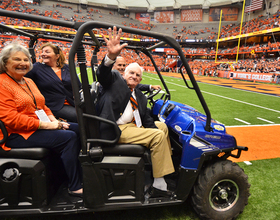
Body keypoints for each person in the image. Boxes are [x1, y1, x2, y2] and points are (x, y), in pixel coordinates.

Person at [97, 26, 175, 198]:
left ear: (140, 79)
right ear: (124, 73)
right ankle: (159, 184)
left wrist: (153, 130)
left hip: (133, 125)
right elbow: (102, 74)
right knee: (157, 136)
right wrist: (110, 56)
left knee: (162, 127)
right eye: (131, 73)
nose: (134, 76)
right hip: (116, 127)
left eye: (138, 75)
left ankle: (161, 164)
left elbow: (145, 120)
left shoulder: (139, 95)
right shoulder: (115, 81)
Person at [0, 42, 82, 197]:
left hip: (35, 126)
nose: (23, 63)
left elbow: (42, 105)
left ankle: (66, 173)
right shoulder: (2, 83)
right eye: (17, 59)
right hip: (16, 134)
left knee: (78, 129)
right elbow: (12, 119)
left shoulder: (28, 81)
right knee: (68, 137)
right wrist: (48, 126)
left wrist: (52, 120)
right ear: (5, 63)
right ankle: (74, 185)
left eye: (26, 60)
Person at [25, 42, 81, 122]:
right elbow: (22, 77)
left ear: (57, 56)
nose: (43, 54)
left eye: (47, 52)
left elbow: (78, 85)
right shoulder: (37, 68)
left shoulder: (67, 67)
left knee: (93, 111)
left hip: (73, 102)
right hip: (54, 105)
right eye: (42, 52)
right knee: (80, 116)